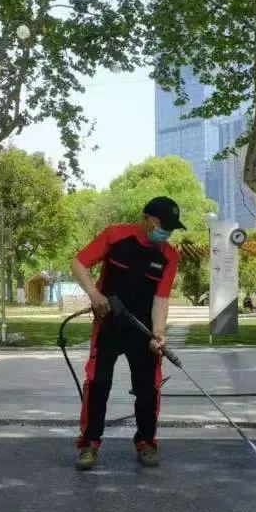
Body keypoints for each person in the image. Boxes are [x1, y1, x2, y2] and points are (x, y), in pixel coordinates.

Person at [70, 196, 184, 469]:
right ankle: (89, 444)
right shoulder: (115, 236)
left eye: (170, 228)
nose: (166, 232)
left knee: (148, 388)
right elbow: (79, 263)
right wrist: (95, 294)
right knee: (98, 383)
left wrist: (158, 333)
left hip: (143, 330)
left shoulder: (169, 256)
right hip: (108, 323)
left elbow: (161, 299)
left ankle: (146, 442)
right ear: (148, 218)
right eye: (163, 226)